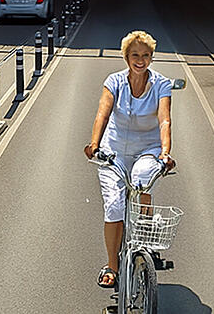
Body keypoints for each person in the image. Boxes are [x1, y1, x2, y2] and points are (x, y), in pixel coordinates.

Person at [84, 30, 174, 289]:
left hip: (147, 148)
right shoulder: (114, 81)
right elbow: (103, 113)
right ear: (126, 57)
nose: (140, 60)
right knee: (114, 206)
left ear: (151, 57)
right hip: (114, 150)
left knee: (142, 178)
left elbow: (164, 120)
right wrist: (94, 144)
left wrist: (165, 152)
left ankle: (143, 242)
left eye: (146, 55)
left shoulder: (161, 84)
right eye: (135, 55)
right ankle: (112, 265)